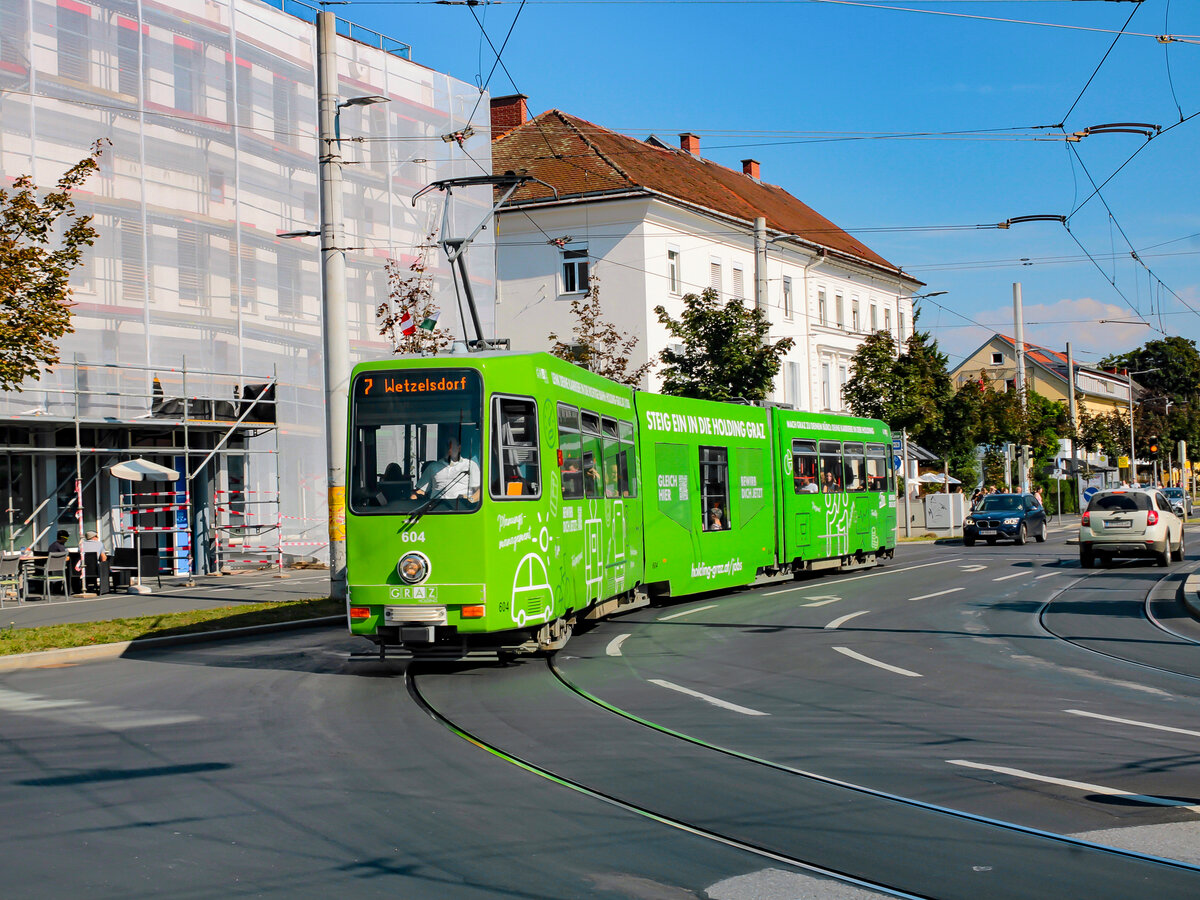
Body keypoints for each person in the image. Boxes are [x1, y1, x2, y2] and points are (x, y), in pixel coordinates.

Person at [410, 437, 480, 505]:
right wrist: (412, 499)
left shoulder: (470, 465)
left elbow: (481, 490)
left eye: (452, 446)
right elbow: (422, 490)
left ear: (459, 448)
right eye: (447, 447)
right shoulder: (433, 467)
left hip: (462, 509)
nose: (449, 450)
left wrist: (470, 500)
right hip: (437, 508)